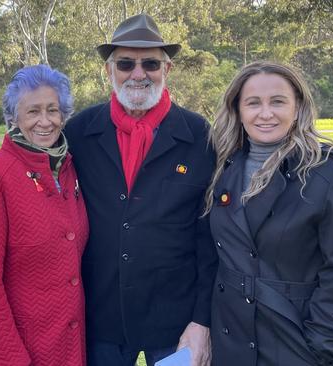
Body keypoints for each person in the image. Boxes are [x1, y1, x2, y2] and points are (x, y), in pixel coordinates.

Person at [64, 14, 217, 366]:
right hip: (101, 318)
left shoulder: (200, 136)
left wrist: (202, 320)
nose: (138, 73)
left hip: (176, 322)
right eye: (125, 63)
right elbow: (36, 164)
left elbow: (211, 238)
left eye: (150, 63)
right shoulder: (79, 132)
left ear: (167, 69)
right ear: (109, 71)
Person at [205, 61, 333, 365]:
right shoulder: (223, 168)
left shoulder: (329, 173)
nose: (266, 113)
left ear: (298, 108)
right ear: (238, 111)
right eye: (253, 103)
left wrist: (325, 342)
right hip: (230, 342)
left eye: (278, 102)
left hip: (293, 343)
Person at [0, 64, 89, 366]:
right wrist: (13, 359)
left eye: (53, 110)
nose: (45, 121)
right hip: (17, 352)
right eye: (33, 111)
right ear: (13, 117)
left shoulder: (71, 169)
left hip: (69, 347)